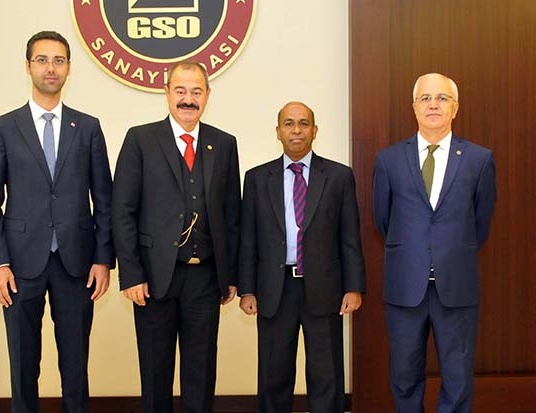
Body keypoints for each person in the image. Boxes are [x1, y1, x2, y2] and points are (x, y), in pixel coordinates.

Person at [0, 31, 115, 413]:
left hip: (77, 264)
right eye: (42, 60)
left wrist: (103, 259)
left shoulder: (87, 127)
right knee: (23, 363)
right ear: (28, 67)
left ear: (69, 68)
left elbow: (104, 200)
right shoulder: (4, 127)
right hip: (19, 265)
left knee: (75, 364)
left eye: (58, 60)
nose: (50, 68)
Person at [111, 61, 241, 413]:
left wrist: (231, 275)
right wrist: (131, 274)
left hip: (206, 278)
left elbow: (232, 216)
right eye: (181, 90)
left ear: (207, 95)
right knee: (156, 374)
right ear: (166, 92)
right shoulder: (140, 140)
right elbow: (122, 211)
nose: (188, 99)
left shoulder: (224, 144)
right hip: (154, 279)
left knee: (201, 372)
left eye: (196, 92)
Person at [372, 73, 497, 412]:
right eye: (425, 98)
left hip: (456, 286)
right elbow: (383, 220)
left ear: (455, 108)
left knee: (458, 377)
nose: (433, 105)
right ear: (413, 107)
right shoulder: (388, 160)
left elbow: (480, 223)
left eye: (442, 98)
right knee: (404, 375)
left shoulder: (479, 159)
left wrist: (448, 252)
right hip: (405, 286)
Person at [238, 101, 366, 413]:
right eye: (289, 123)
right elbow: (248, 238)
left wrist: (354, 287)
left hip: (324, 288)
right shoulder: (257, 178)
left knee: (326, 374)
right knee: (274, 374)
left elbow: (349, 236)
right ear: (278, 131)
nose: (296, 130)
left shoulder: (338, 176)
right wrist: (247, 289)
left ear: (315, 130)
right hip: (274, 289)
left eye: (304, 123)